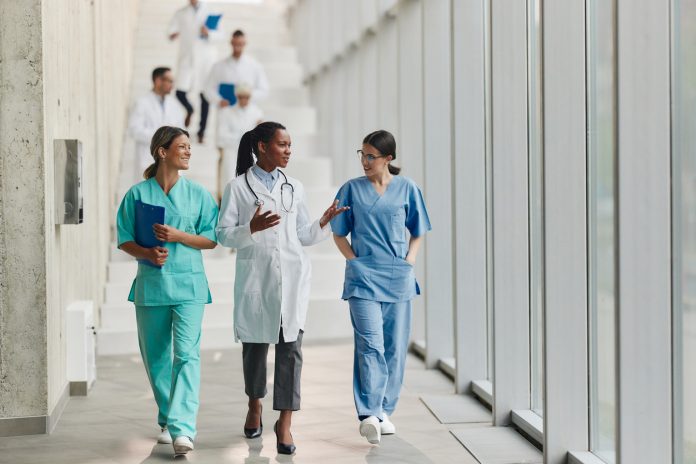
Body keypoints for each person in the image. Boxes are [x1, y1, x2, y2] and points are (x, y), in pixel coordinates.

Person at [215, 122, 347, 455]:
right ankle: (255, 404)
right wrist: (251, 227)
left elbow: (302, 234)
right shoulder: (238, 187)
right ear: (261, 147)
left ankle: (285, 423)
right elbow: (223, 234)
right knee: (255, 351)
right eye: (282, 144)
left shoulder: (294, 187)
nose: (289, 150)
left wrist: (324, 221)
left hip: (293, 279)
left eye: (290, 145)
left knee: (291, 353)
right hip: (257, 281)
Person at [116, 126, 219, 456]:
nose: (189, 151)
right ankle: (169, 418)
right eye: (182, 147)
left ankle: (183, 429)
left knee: (187, 355)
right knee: (157, 358)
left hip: (189, 284)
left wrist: (178, 236)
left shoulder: (199, 194)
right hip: (153, 285)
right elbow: (124, 237)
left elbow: (211, 238)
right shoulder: (137, 195)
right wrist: (146, 253)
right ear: (162, 152)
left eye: (190, 147)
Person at [330, 130, 431, 445]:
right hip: (363, 279)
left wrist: (410, 259)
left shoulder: (407, 189)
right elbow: (338, 233)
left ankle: (386, 409)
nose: (364, 161)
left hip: (397, 277)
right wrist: (354, 261)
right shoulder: (350, 190)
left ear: (388, 158)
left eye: (370, 155)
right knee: (370, 345)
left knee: (394, 347)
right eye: (361, 154)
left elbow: (418, 229)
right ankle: (369, 412)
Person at [168, 0, 222, 143]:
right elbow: (171, 30)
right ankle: (190, 109)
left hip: (206, 59)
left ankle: (201, 132)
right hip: (187, 57)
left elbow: (220, 35)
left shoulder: (212, 11)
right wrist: (173, 34)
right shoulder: (181, 13)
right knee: (180, 91)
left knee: (205, 96)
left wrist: (208, 33)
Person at [128, 67, 185, 183]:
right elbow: (134, 130)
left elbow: (182, 132)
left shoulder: (175, 106)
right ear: (158, 81)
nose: (172, 85)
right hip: (148, 159)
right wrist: (161, 138)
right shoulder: (142, 103)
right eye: (169, 81)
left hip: (171, 161)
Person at [216, 83, 264, 202]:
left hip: (251, 153)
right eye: (241, 97)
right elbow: (221, 136)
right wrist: (244, 137)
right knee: (229, 182)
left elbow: (260, 136)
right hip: (231, 152)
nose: (244, 100)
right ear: (237, 96)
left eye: (246, 97)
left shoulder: (257, 113)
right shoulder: (226, 112)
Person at [204, 29, 269, 110]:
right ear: (231, 43)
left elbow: (264, 90)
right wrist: (219, 100)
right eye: (235, 44)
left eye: (240, 44)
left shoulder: (255, 66)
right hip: (225, 111)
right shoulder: (219, 66)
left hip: (247, 112)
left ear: (245, 44)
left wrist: (247, 96)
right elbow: (208, 89)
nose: (237, 47)